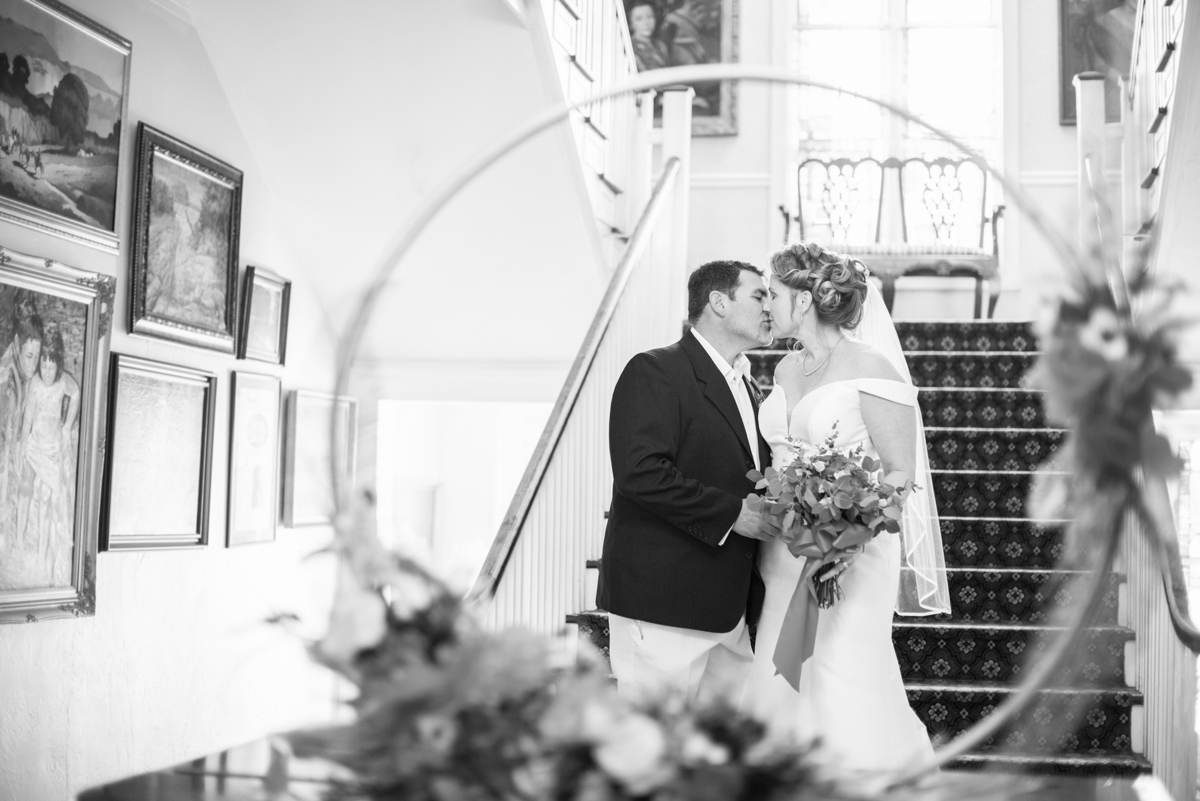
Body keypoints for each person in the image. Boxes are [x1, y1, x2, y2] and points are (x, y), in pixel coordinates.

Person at [743, 241, 950, 772]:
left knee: (842, 676)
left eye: (774, 293)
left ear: (805, 300)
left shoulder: (870, 364)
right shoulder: (786, 369)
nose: (767, 305)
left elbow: (901, 472)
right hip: (788, 547)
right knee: (782, 677)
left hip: (853, 550)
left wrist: (850, 539)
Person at [597, 259, 778, 706]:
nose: (770, 307)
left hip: (728, 610)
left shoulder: (750, 387)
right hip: (663, 606)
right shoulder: (656, 370)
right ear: (718, 302)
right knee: (652, 754)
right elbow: (641, 473)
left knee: (720, 756)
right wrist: (733, 513)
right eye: (759, 295)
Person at [17, 327, 80, 586]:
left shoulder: (63, 382)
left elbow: (75, 393)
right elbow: (28, 415)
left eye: (51, 366)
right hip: (34, 448)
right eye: (42, 364)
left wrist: (67, 427)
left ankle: (43, 553)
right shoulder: (34, 383)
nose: (46, 370)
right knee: (25, 487)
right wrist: (22, 441)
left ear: (59, 365)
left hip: (52, 449)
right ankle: (19, 540)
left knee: (46, 499)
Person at [627, 2, 670, 72]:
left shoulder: (661, 46)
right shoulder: (629, 47)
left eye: (650, 17)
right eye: (639, 19)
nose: (646, 23)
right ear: (630, 23)